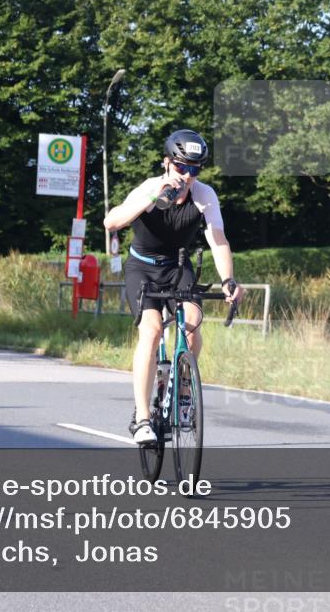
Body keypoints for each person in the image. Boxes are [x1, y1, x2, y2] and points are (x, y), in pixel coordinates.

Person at [103, 129, 243, 444]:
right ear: (167, 162)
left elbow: (218, 239)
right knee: (152, 331)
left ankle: (181, 393)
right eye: (181, 167)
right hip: (142, 268)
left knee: (192, 326)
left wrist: (228, 280)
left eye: (195, 169)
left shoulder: (204, 195)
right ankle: (142, 419)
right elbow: (111, 222)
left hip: (178, 267)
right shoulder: (150, 188)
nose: (187, 175)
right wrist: (154, 197)